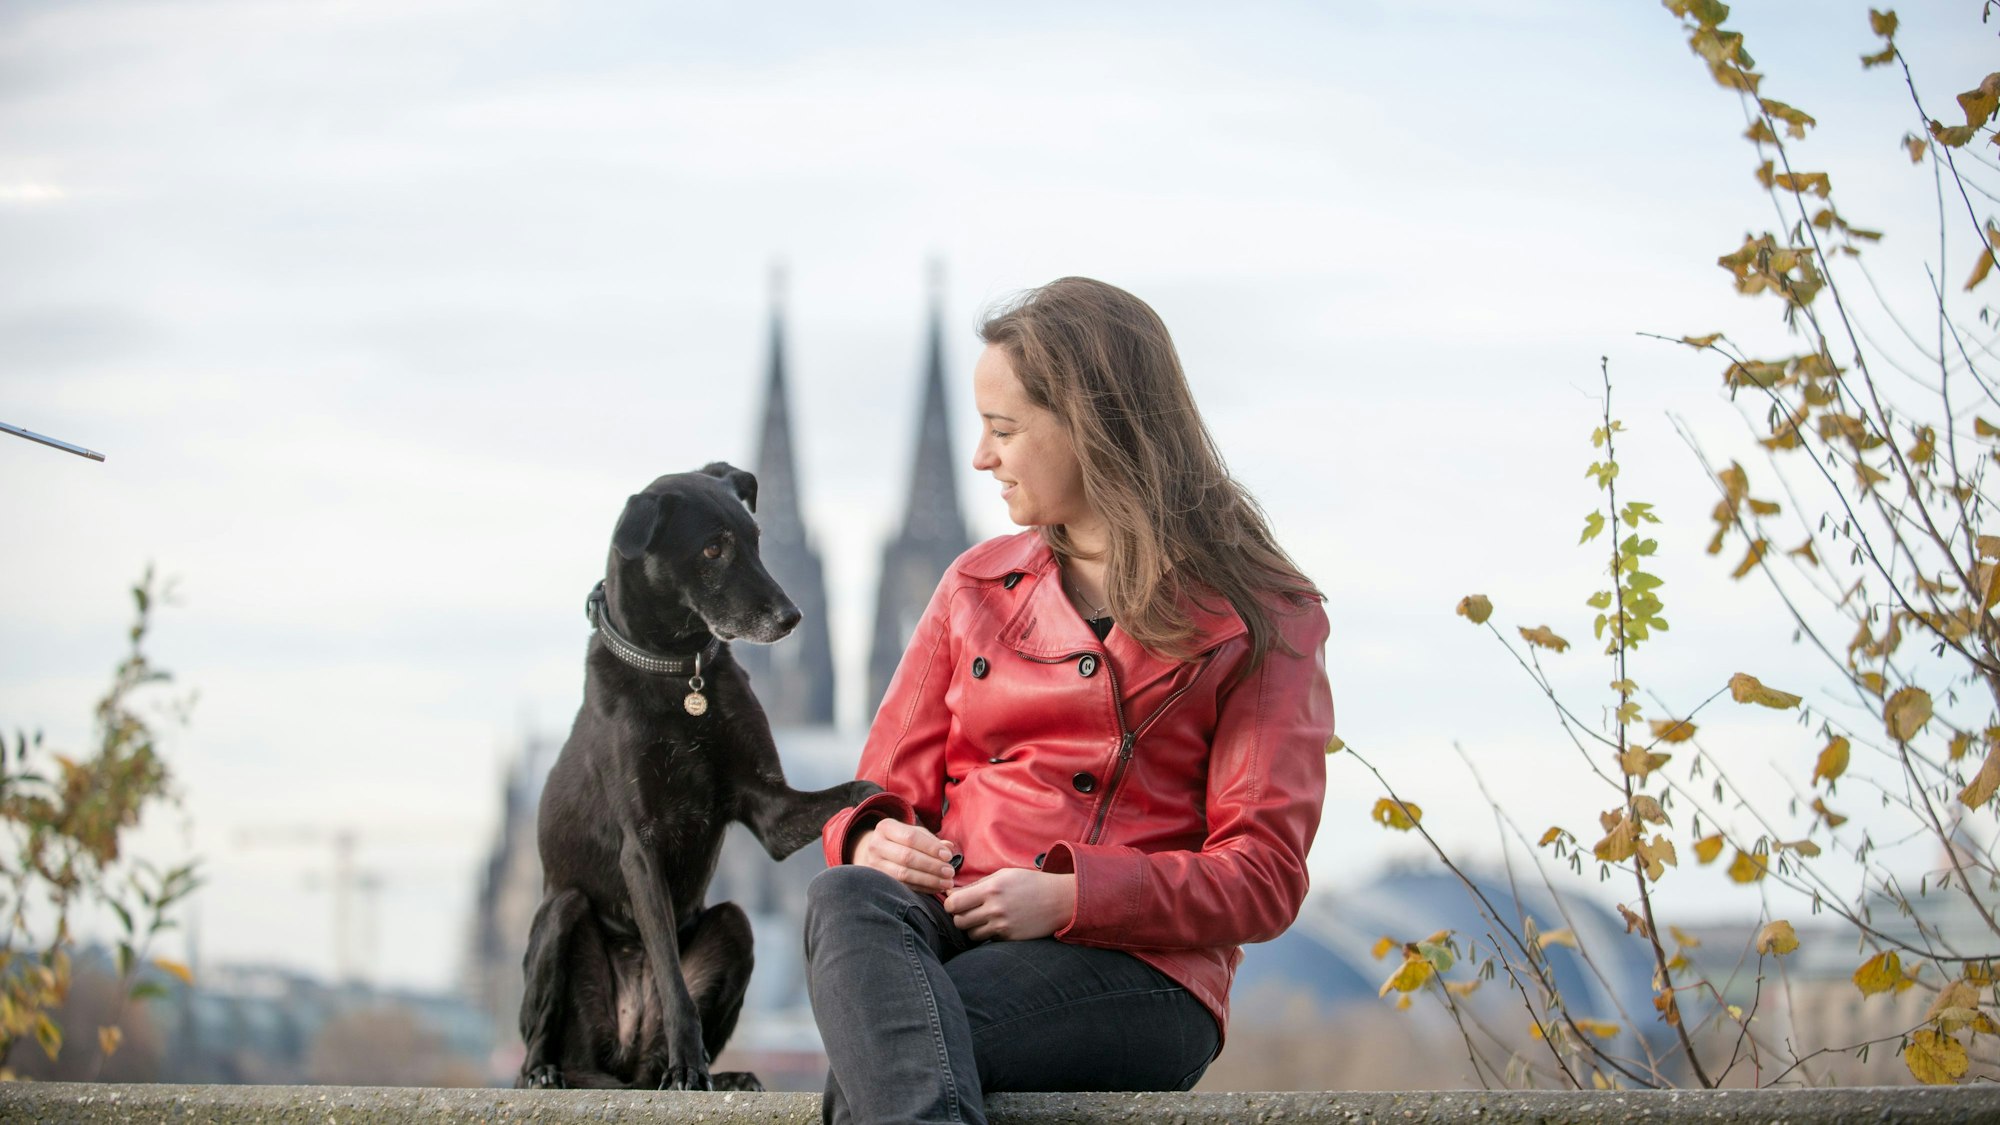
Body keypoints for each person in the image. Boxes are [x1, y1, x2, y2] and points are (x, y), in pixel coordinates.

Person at [804, 276, 1334, 1125]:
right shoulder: (972, 586)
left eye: (1005, 430)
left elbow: (1263, 878)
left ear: (1092, 426)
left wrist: (1071, 896)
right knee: (843, 899)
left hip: (1143, 974)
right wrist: (874, 838)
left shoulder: (1268, 615)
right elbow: (874, 794)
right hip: (951, 928)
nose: (983, 457)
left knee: (899, 1043)